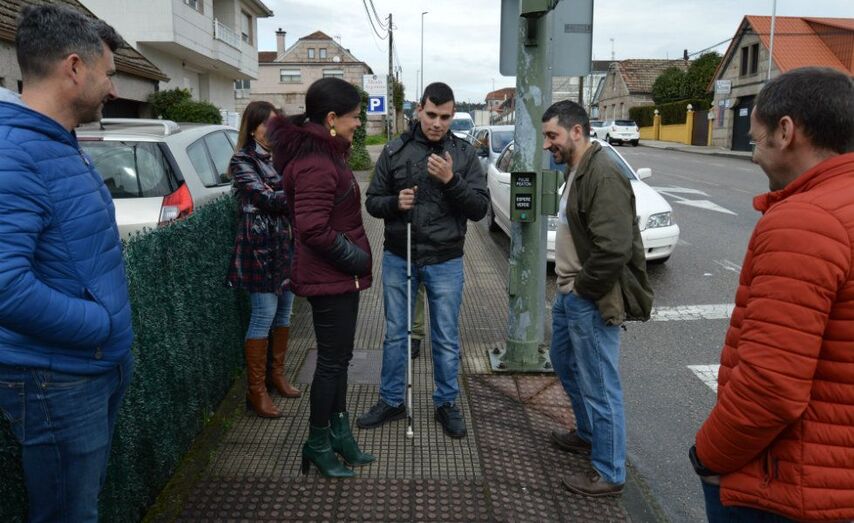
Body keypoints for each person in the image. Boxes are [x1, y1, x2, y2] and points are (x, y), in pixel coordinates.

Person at [691, 68, 854, 522]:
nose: (753, 155)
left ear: (786, 132)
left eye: (756, 139)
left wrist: (708, 456)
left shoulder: (805, 221)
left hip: (786, 484)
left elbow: (770, 388)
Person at [0, 5, 134, 521]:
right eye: (108, 74)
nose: (113, 88)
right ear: (74, 68)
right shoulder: (15, 154)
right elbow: (5, 285)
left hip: (88, 366)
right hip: (57, 378)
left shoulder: (58, 143)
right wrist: (97, 325)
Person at [358, 82, 489, 438]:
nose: (437, 123)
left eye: (445, 117)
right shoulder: (395, 150)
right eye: (431, 114)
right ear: (419, 110)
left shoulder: (464, 154)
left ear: (452, 116)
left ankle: (446, 403)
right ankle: (391, 400)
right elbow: (372, 201)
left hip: (446, 260)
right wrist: (394, 203)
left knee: (445, 337)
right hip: (400, 256)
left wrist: (451, 180)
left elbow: (479, 209)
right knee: (396, 335)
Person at [542, 100, 652, 497]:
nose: (547, 144)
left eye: (552, 135)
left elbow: (613, 248)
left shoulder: (602, 173)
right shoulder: (576, 168)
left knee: (600, 384)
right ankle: (588, 434)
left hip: (588, 297)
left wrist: (583, 290)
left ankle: (609, 470)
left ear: (577, 131)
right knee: (565, 363)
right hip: (570, 294)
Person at [268, 77, 375, 477]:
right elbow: (312, 227)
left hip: (337, 277)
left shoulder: (327, 152)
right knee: (330, 363)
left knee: (340, 359)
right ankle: (316, 443)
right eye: (354, 116)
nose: (358, 123)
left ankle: (339, 434)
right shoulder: (316, 161)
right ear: (331, 118)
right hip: (330, 277)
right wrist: (356, 258)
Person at [227, 100, 300, 419]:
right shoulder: (242, 160)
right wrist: (294, 192)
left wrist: (284, 191)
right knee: (264, 314)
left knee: (284, 311)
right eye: (266, 124)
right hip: (258, 249)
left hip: (285, 244)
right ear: (253, 127)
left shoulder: (281, 157)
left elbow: (278, 194)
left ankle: (276, 376)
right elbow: (265, 197)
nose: (272, 130)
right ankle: (255, 391)